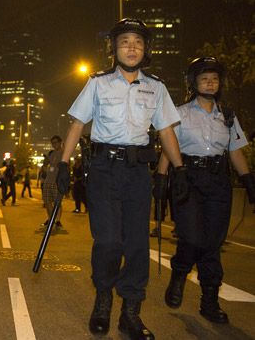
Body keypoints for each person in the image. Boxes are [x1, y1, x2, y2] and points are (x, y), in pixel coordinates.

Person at [55, 19, 188, 340]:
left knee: (137, 245)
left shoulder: (156, 87)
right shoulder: (98, 83)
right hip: (103, 169)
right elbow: (76, 124)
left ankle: (131, 313)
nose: (131, 47)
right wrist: (62, 164)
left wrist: (177, 170)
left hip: (136, 173)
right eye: (125, 41)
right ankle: (103, 300)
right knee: (109, 241)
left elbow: (166, 130)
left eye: (138, 42)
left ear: (146, 50)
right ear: (113, 48)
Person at [157, 57, 255, 324]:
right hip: (188, 177)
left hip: (218, 180)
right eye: (204, 78)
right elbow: (169, 146)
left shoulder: (228, 116)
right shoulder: (180, 113)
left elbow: (234, 151)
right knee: (191, 236)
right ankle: (179, 273)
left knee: (212, 242)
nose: (210, 83)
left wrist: (247, 180)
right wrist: (161, 179)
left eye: (214, 78)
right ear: (194, 83)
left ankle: (209, 302)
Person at [39, 135, 64, 231]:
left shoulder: (63, 154)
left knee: (57, 202)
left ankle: (57, 220)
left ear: (60, 142)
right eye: (53, 143)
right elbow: (45, 164)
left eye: (56, 142)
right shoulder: (52, 153)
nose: (54, 145)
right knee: (47, 201)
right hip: (48, 181)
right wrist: (45, 166)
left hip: (56, 181)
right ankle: (51, 220)